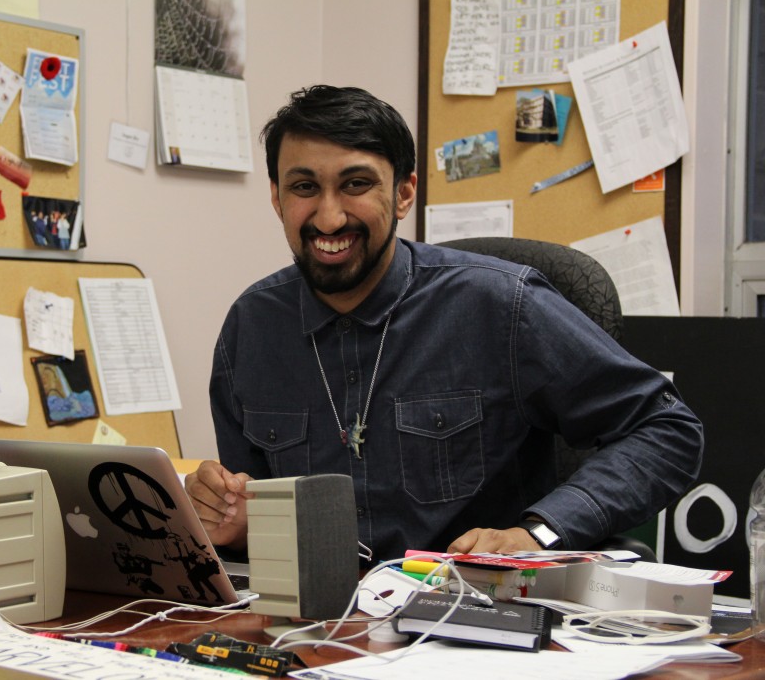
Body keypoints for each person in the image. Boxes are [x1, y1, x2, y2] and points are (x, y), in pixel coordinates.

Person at [184, 85, 703, 563]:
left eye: (356, 184)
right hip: (318, 624)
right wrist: (228, 517)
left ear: (405, 192)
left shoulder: (501, 304)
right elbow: (250, 513)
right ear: (277, 199)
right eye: (304, 187)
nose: (329, 217)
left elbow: (667, 429)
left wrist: (540, 532)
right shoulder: (251, 327)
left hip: (473, 617)